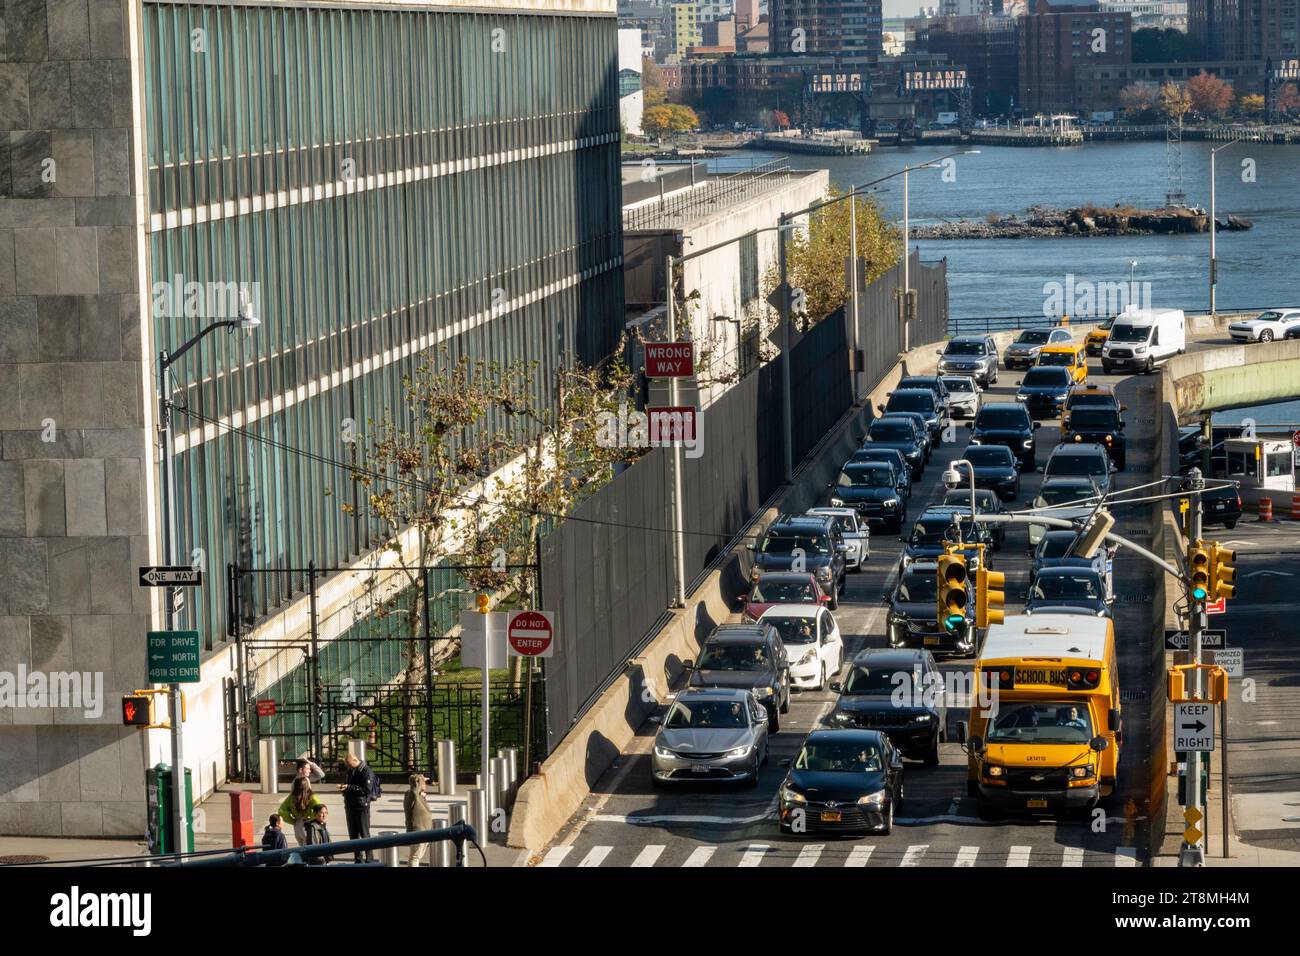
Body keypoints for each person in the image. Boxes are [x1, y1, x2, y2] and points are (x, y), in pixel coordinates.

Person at [338, 752, 377, 863]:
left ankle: (369, 859)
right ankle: (358, 859)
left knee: (364, 834)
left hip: (361, 807)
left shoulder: (366, 771)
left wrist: (349, 787)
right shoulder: (351, 770)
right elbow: (349, 784)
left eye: (349, 764)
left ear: (355, 760)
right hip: (350, 805)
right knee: (353, 834)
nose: (348, 767)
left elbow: (366, 790)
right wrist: (344, 787)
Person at [278, 776, 324, 847]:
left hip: (297, 824)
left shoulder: (291, 797)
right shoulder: (312, 797)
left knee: (301, 845)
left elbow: (281, 811)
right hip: (308, 825)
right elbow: (320, 809)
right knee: (310, 846)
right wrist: (312, 818)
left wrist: (292, 820)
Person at [403, 773, 433, 867]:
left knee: (417, 856)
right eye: (423, 783)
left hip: (424, 830)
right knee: (415, 856)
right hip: (418, 831)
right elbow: (414, 789)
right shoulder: (412, 795)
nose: (425, 785)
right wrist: (418, 779)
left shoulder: (419, 796)